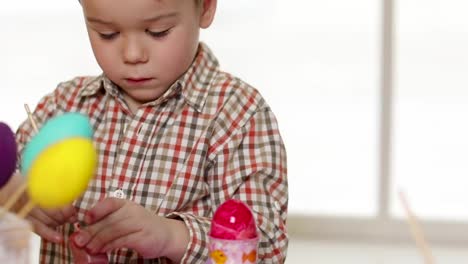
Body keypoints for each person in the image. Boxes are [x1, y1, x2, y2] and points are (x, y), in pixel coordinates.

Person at [5, 0, 288, 262]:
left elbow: (268, 247)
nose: (132, 54)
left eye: (158, 31)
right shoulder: (63, 105)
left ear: (205, 8)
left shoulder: (237, 113)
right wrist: (12, 194)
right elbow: (7, 173)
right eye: (107, 34)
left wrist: (171, 236)